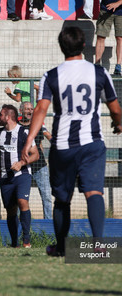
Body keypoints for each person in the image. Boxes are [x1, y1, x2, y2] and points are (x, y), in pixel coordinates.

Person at [22, 26, 122, 256]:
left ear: (61, 47)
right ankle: (99, 246)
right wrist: (118, 123)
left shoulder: (52, 75)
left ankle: (62, 247)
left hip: (63, 145)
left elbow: (40, 110)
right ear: (84, 45)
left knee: (62, 199)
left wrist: (29, 139)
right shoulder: (98, 73)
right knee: (94, 192)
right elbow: (115, 108)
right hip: (92, 143)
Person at [0, 105, 39, 248]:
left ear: (8, 117)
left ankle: (26, 240)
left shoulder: (24, 132)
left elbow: (35, 155)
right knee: (11, 210)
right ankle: (15, 243)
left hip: (22, 174)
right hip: (5, 177)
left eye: (0, 115)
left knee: (22, 202)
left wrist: (21, 163)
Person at [18, 101, 52, 219]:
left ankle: (48, 223)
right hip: (23, 167)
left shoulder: (37, 125)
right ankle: (20, 223)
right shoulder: (16, 127)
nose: (30, 111)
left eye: (31, 109)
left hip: (40, 166)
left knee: (47, 196)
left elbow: (40, 144)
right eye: (27, 109)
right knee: (21, 199)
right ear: (20, 111)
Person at [95, 0, 122, 75]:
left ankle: (118, 66)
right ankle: (97, 64)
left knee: (120, 38)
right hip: (105, 9)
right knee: (101, 36)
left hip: (120, 11)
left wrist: (117, 3)